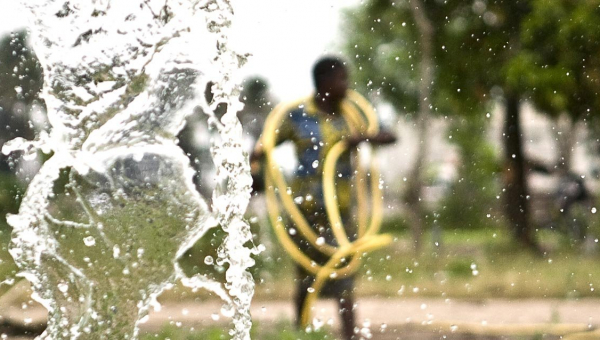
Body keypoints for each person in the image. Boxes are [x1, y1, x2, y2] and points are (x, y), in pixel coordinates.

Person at [251, 56, 395, 340]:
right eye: (342, 79)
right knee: (307, 278)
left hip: (339, 213)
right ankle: (301, 330)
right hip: (305, 213)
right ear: (325, 82)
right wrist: (254, 169)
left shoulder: (351, 115)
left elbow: (390, 136)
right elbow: (266, 147)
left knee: (344, 276)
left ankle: (349, 335)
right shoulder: (298, 117)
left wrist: (362, 138)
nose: (346, 85)